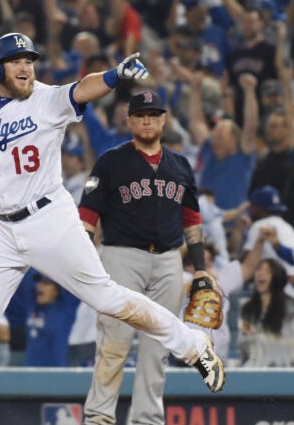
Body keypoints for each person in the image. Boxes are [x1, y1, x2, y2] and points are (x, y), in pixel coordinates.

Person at [0, 0, 225, 424]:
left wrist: (115, 75)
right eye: (16, 60)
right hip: (2, 231)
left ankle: (192, 345)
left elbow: (83, 87)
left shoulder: (47, 99)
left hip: (48, 219)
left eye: (30, 60)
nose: (25, 67)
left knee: (107, 298)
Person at [79, 90, 210, 425]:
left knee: (159, 346)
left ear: (164, 119)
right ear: (129, 120)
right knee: (115, 340)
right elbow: (87, 216)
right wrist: (83, 261)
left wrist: (201, 270)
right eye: (141, 115)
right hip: (122, 256)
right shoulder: (110, 161)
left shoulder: (180, 165)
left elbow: (192, 220)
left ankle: (148, 419)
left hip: (168, 260)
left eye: (153, 114)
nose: (147, 120)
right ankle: (99, 416)